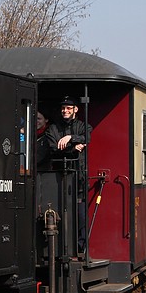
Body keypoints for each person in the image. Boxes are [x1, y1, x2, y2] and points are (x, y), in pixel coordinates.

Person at [46, 96, 92, 254]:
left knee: (80, 216)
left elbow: (87, 137)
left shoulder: (82, 126)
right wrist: (74, 148)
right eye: (63, 108)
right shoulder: (53, 128)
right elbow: (53, 147)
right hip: (59, 177)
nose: (65, 111)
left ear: (75, 110)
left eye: (68, 108)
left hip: (79, 178)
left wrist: (69, 138)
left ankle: (81, 247)